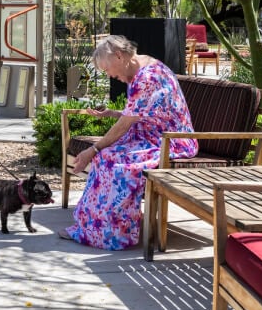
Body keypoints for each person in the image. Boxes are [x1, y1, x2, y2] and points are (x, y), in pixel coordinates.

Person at [59, 35, 197, 250]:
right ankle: (93, 227)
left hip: (171, 142)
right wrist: (115, 113)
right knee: (106, 157)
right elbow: (146, 111)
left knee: (112, 162)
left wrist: (93, 149)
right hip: (152, 136)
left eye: (107, 70)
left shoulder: (147, 77)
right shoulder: (144, 64)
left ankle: (112, 234)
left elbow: (126, 124)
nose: (110, 75)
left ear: (119, 56)